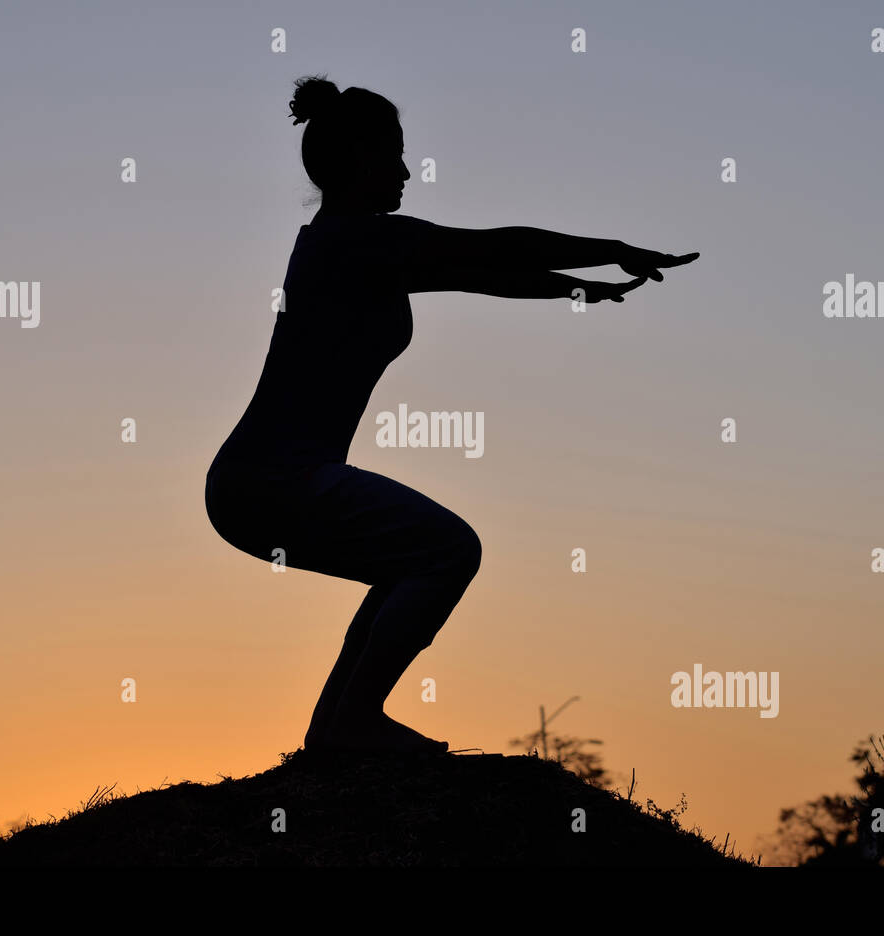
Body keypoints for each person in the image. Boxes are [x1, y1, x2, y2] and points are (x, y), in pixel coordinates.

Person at [205, 74, 699, 755]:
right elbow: (492, 248)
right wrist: (609, 250)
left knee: (410, 562)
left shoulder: (354, 245)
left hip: (264, 482)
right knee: (447, 551)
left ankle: (334, 736)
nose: (408, 169)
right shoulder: (354, 241)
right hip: (272, 481)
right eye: (395, 153)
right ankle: (352, 724)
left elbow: (484, 272)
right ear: (358, 159)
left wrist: (580, 286)